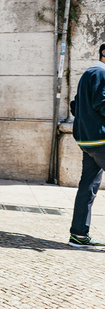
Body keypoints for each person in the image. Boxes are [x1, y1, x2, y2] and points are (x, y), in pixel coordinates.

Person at [68, 43, 105, 247]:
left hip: (87, 140)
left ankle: (79, 235)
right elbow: (103, 103)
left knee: (88, 186)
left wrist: (87, 123)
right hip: (101, 140)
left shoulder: (89, 73)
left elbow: (75, 105)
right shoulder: (101, 73)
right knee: (88, 186)